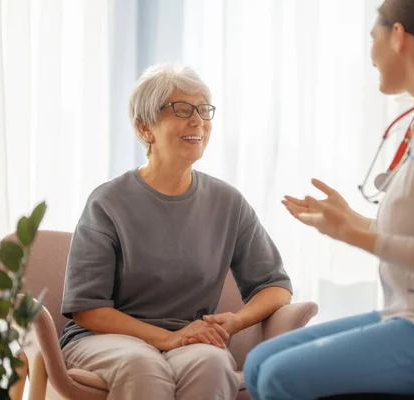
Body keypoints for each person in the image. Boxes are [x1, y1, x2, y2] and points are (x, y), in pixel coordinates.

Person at [243, 0, 414, 398]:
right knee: (256, 364)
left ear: (397, 36)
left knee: (278, 377)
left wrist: (351, 235)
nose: (370, 53)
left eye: (373, 37)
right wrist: (351, 220)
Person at [60, 64, 293, 400]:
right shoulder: (108, 202)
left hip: (188, 339)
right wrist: (166, 338)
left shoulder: (227, 202)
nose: (197, 120)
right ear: (145, 128)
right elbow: (87, 309)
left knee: (214, 363)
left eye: (203, 110)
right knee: (141, 364)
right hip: (102, 340)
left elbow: (275, 287)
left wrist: (235, 322)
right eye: (181, 110)